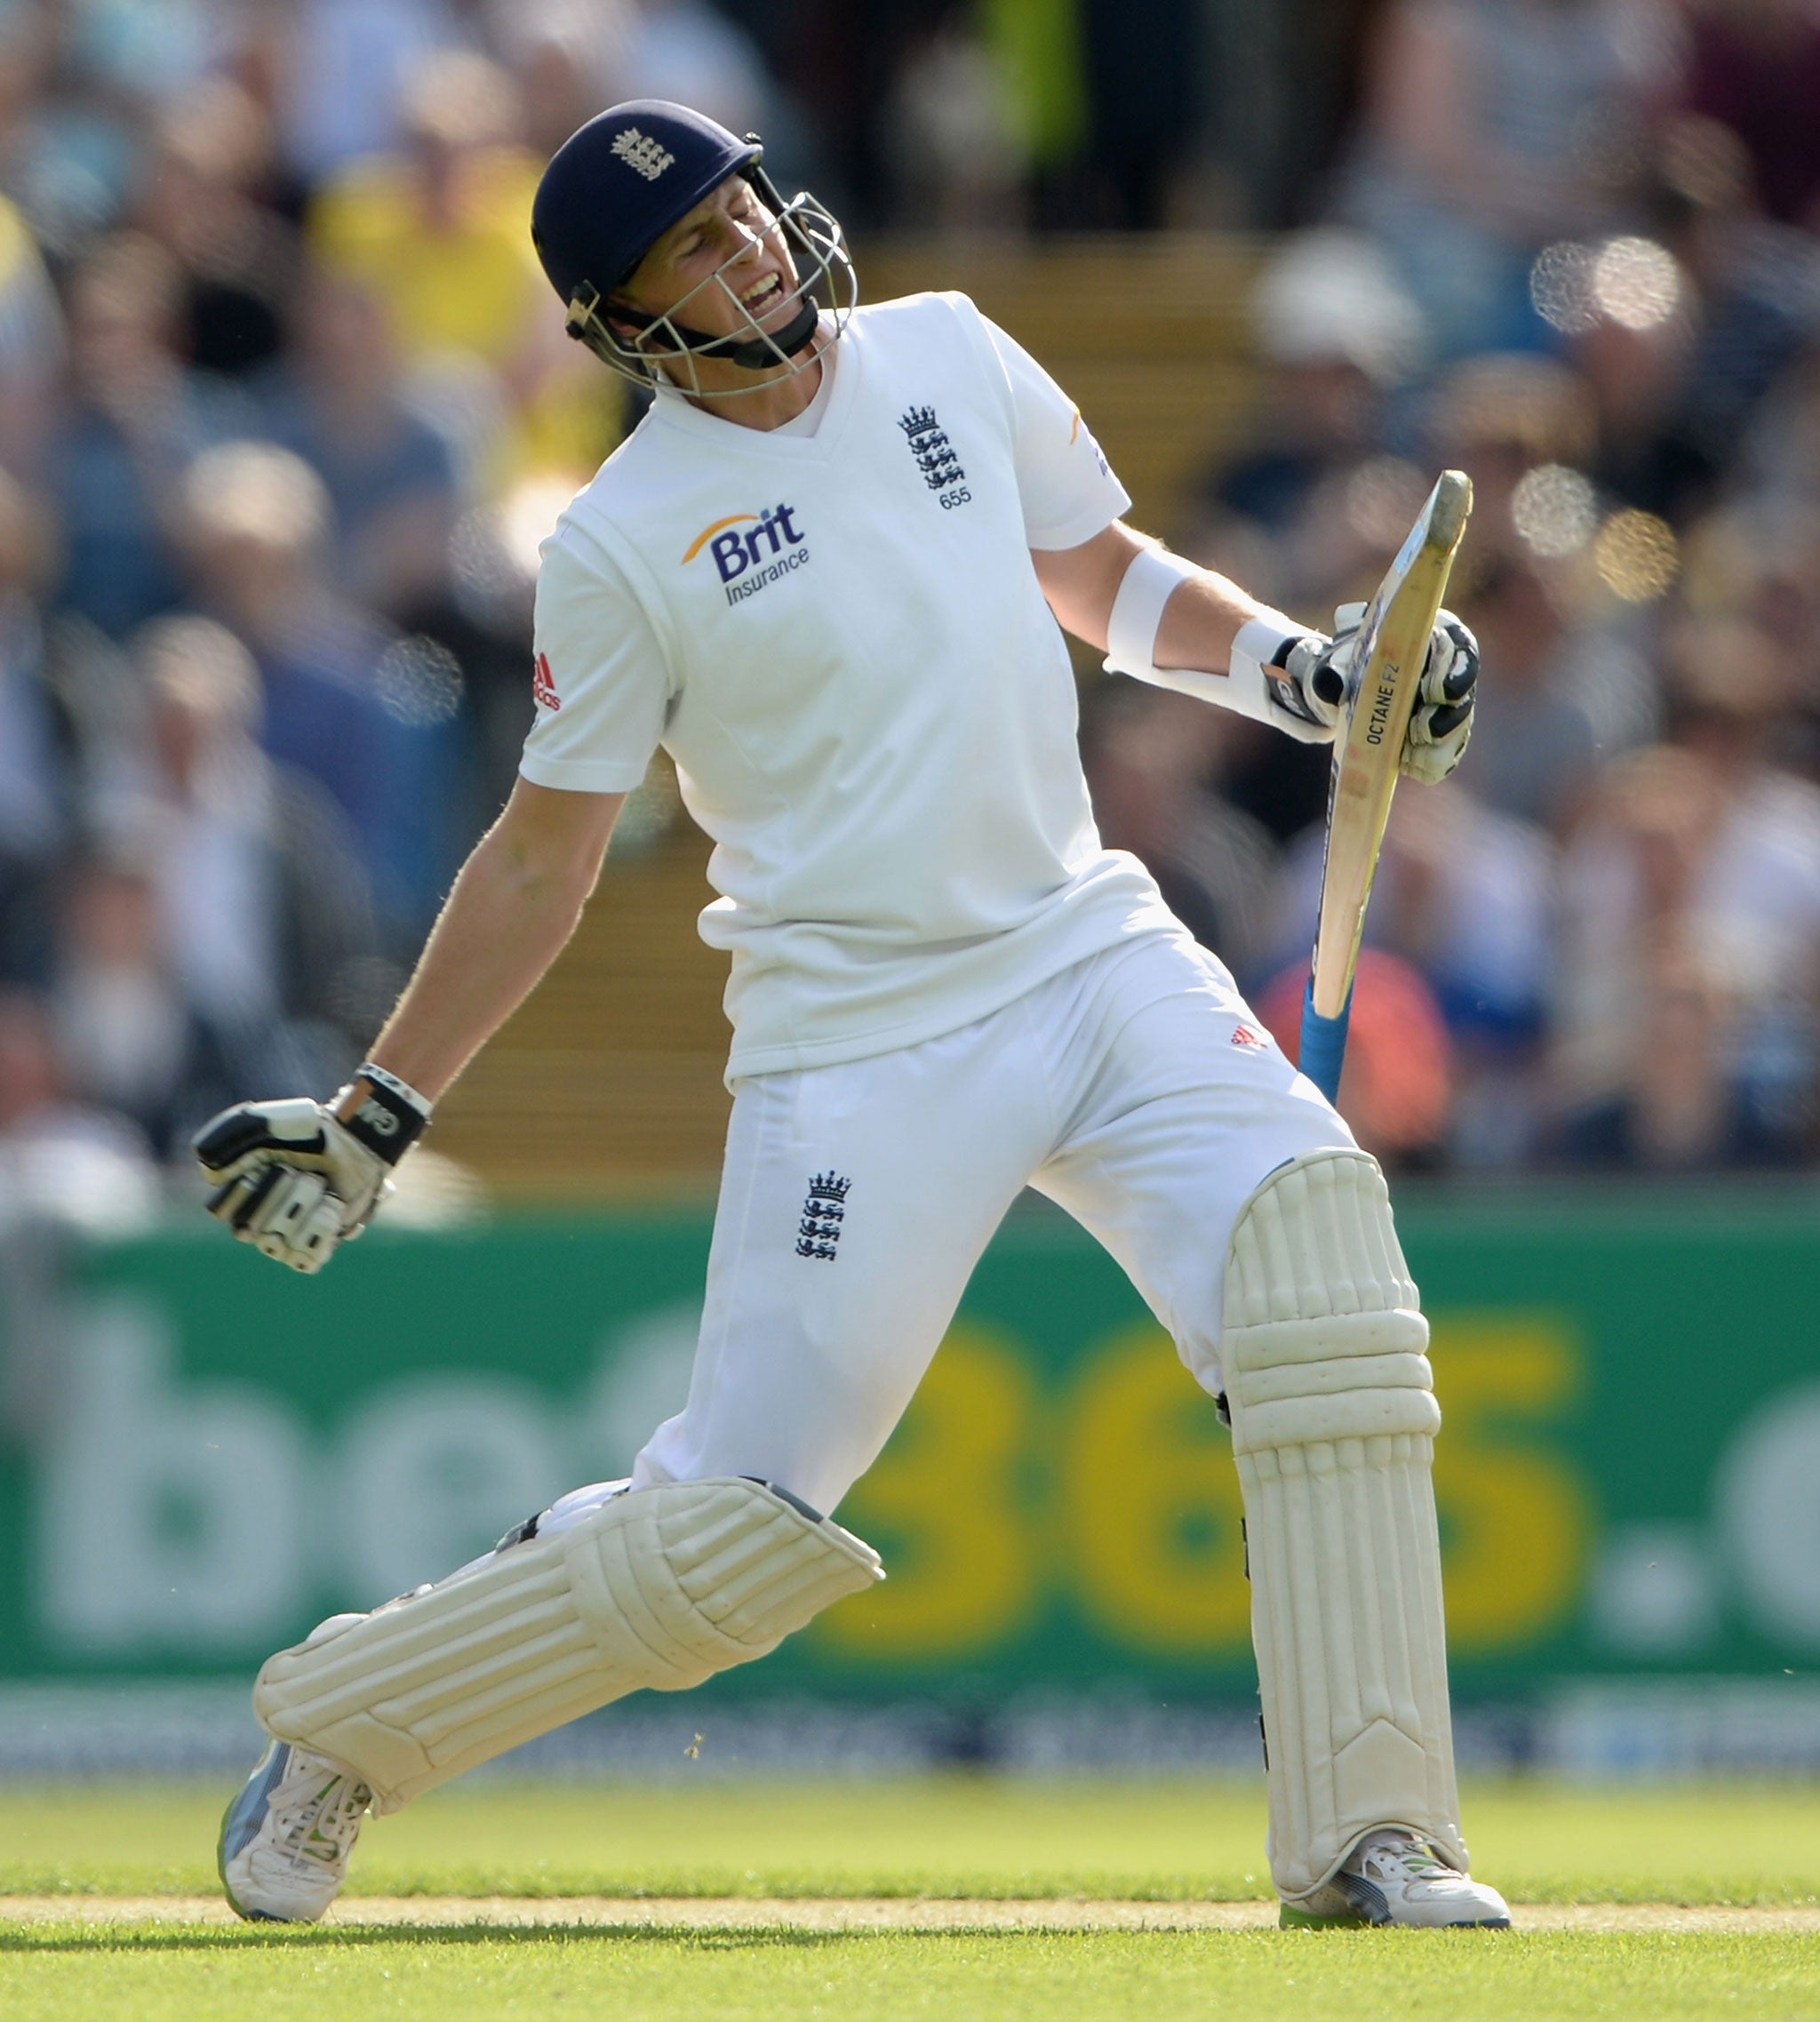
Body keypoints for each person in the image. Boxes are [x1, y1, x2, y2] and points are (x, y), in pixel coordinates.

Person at [192, 101, 1502, 1932]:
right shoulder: (621, 538)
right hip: (859, 1041)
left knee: (1323, 1293)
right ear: (627, 326)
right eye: (698, 256)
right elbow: (537, 863)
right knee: (734, 1527)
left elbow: (1095, 572)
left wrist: (1303, 669)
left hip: (1088, 951)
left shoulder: (949, 350)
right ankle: (345, 1727)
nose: (753, 261)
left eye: (746, 217)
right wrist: (378, 1113)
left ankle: (1376, 1835)